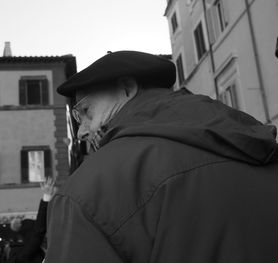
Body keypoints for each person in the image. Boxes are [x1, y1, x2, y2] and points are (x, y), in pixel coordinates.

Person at [44, 50, 278, 263]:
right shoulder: (256, 145)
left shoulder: (88, 193)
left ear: (127, 89)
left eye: (85, 111)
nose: (82, 131)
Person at [8, 176, 57, 263]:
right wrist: (47, 196)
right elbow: (38, 231)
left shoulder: (20, 252)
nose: (45, 234)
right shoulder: (22, 255)